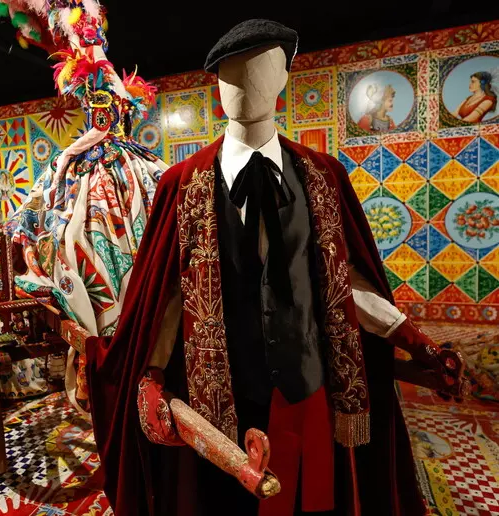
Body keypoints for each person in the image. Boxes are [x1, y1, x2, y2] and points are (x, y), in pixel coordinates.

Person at [85, 19, 469, 516]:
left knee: (311, 499)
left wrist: (416, 342)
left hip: (308, 383)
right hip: (221, 395)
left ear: (285, 76)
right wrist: (152, 372)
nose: (246, 83)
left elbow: (344, 284)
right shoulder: (181, 183)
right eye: (230, 73)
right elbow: (170, 296)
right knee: (227, 504)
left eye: (262, 68)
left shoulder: (324, 174)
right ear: (217, 84)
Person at [0, 0, 168, 412]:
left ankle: (116, 312)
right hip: (126, 159)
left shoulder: (95, 75)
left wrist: (67, 155)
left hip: (109, 161)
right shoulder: (107, 76)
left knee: (77, 221)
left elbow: (100, 130)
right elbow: (112, 127)